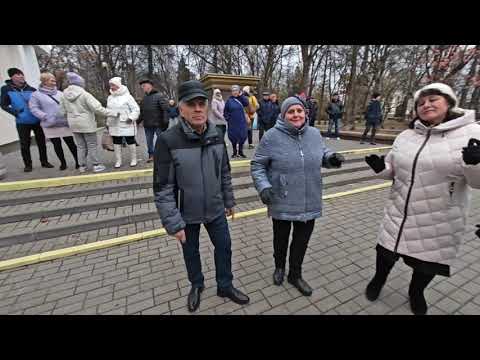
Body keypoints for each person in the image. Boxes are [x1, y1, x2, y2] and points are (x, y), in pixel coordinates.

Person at [363, 82, 480, 315]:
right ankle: (378, 280)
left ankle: (416, 292)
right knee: (385, 253)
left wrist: (474, 164)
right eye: (421, 102)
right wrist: (381, 168)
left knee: (426, 264)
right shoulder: (407, 135)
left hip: (439, 216)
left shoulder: (473, 133)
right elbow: (394, 171)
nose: (426, 105)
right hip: (399, 210)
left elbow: (477, 182)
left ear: (449, 102)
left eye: (433, 99)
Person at [153, 80, 250, 312]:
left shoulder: (216, 134)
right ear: (181, 109)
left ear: (206, 106)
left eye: (201, 104)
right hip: (187, 213)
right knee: (191, 252)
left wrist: (229, 200)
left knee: (225, 246)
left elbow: (224, 171)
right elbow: (163, 187)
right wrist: (173, 222)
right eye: (191, 104)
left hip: (216, 209)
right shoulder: (168, 140)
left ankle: (225, 285)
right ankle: (196, 285)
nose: (198, 109)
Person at [251, 97, 346, 296]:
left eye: (299, 111)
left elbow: (322, 153)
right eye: (291, 111)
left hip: (309, 197)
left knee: (301, 242)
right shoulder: (271, 136)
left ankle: (295, 274)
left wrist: (331, 158)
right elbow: (258, 165)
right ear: (283, 115)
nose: (296, 115)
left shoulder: (314, 134)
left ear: (305, 113)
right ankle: (279, 267)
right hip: (281, 198)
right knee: (281, 238)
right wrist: (264, 187)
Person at [58, 72, 115, 173]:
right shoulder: (85, 94)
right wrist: (112, 113)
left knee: (80, 145)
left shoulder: (63, 95)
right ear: (80, 83)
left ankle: (82, 166)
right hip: (86, 123)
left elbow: (61, 112)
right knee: (92, 144)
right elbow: (97, 108)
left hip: (73, 124)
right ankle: (96, 165)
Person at [1, 67, 53, 172]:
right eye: (18, 74)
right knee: (25, 144)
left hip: (36, 120)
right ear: (12, 77)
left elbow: (40, 103)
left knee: (41, 142)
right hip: (22, 122)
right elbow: (3, 104)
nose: (21, 76)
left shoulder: (31, 89)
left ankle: (44, 162)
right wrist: (15, 113)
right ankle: (28, 165)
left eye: (22, 74)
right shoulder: (6, 89)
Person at [29, 72, 79, 171]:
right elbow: (33, 108)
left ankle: (78, 162)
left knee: (71, 143)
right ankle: (63, 163)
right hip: (50, 123)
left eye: (54, 80)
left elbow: (68, 105)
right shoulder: (36, 95)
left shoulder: (60, 93)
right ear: (44, 82)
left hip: (63, 122)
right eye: (52, 80)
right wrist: (45, 116)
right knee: (57, 144)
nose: (54, 82)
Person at [106, 77, 140, 168]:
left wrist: (131, 117)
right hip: (114, 123)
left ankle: (134, 159)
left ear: (118, 85)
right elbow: (107, 110)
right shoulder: (110, 97)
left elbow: (136, 109)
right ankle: (118, 161)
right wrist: (109, 120)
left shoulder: (128, 97)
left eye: (113, 85)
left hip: (126, 123)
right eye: (110, 85)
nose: (111, 87)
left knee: (130, 141)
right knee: (116, 142)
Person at [137, 79, 169, 163]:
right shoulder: (144, 99)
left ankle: (163, 154)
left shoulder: (159, 96)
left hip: (158, 124)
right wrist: (136, 122)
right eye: (142, 87)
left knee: (161, 140)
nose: (143, 88)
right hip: (147, 124)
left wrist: (166, 121)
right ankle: (151, 155)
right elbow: (142, 113)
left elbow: (165, 109)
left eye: (144, 86)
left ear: (150, 85)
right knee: (149, 141)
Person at [224, 85, 250, 158]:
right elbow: (225, 111)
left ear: (239, 91)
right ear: (231, 92)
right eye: (233, 91)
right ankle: (235, 152)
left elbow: (246, 103)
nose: (235, 92)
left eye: (236, 90)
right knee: (233, 137)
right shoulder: (229, 101)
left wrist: (241, 95)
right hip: (232, 122)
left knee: (242, 136)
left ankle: (241, 152)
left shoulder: (242, 99)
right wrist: (228, 118)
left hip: (241, 121)